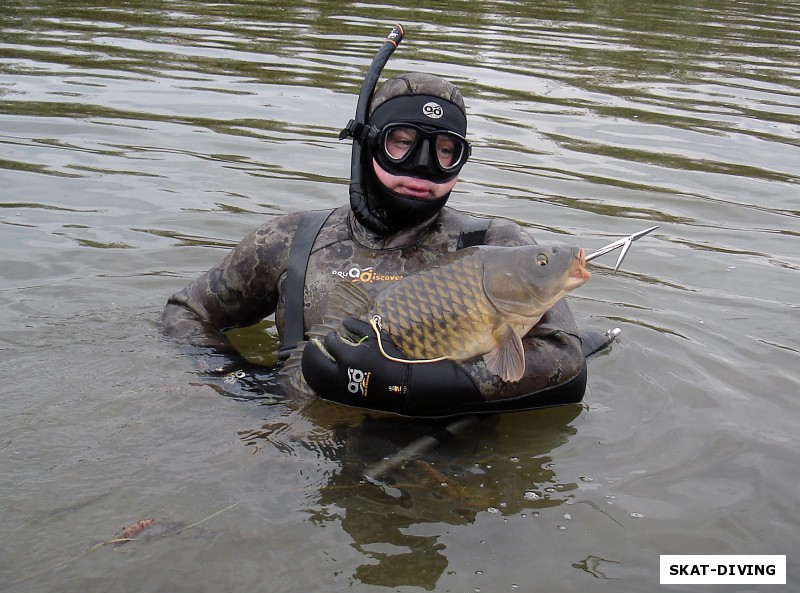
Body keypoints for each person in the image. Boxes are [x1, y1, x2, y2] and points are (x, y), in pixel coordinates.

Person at [161, 46, 587, 417]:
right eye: (401, 142)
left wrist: (426, 386)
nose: (423, 166)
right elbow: (186, 313)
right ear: (367, 145)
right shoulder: (292, 238)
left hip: (439, 461)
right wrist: (242, 385)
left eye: (445, 150)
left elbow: (566, 363)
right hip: (301, 451)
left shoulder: (497, 245)